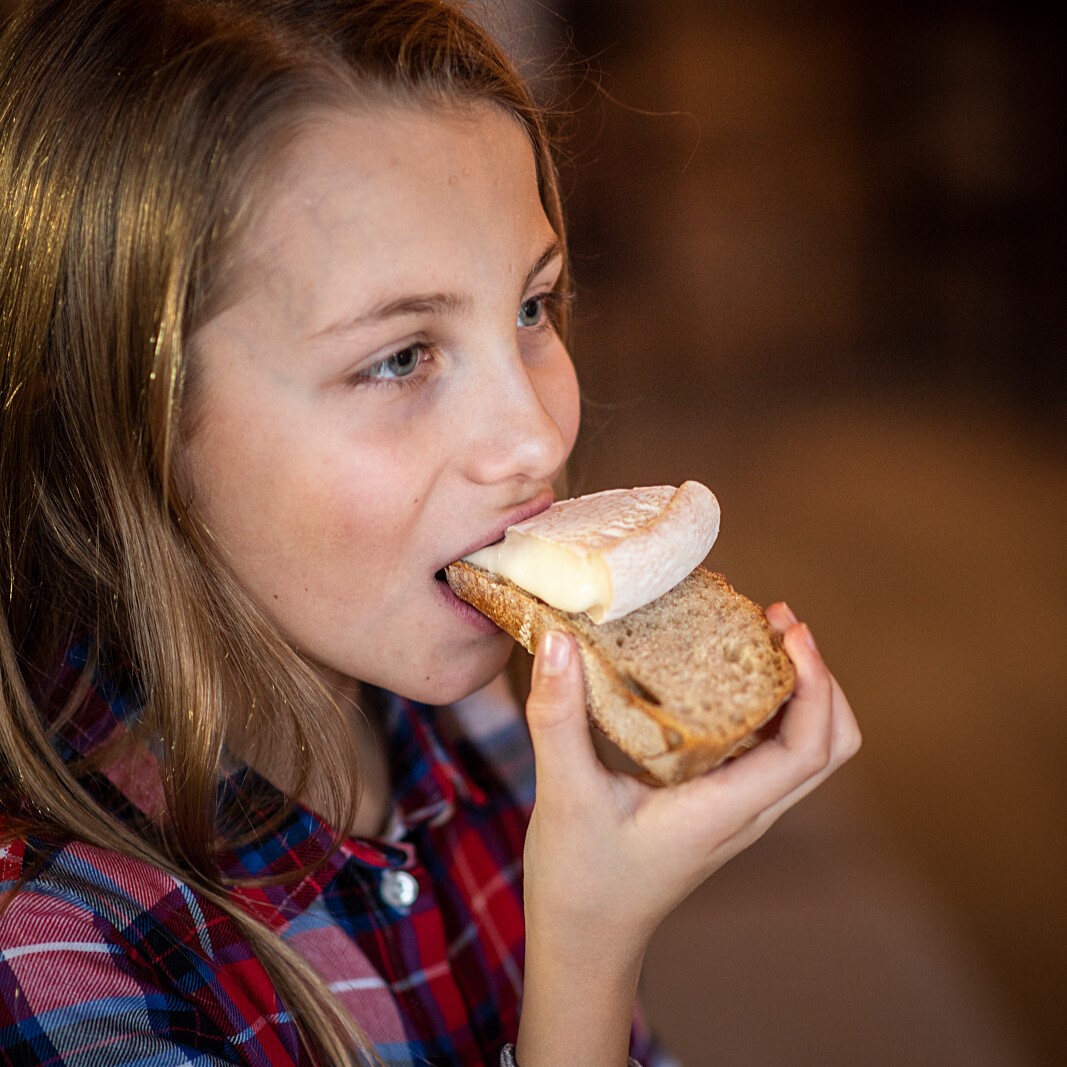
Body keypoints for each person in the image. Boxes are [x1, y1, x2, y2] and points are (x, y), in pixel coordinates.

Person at [0, 1, 861, 1064]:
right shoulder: (52, 951)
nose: (536, 438)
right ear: (115, 419)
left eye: (531, 306)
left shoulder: (488, 725)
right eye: (402, 355)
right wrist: (585, 954)